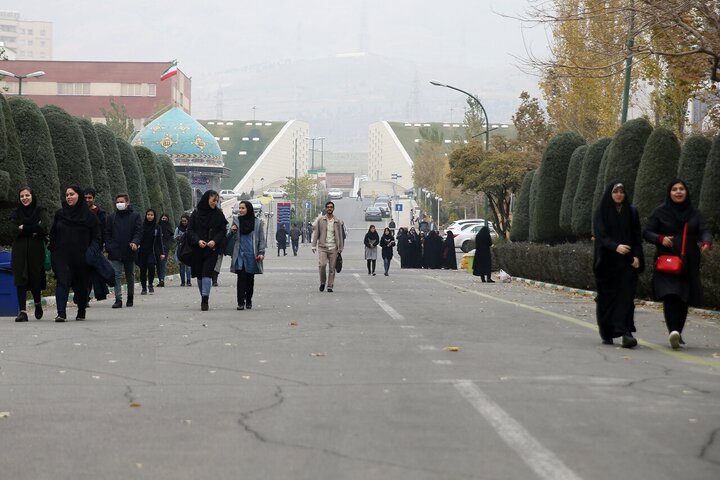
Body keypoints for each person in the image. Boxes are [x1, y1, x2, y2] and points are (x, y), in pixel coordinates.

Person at [643, 179, 712, 349]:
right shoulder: (661, 212)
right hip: (667, 262)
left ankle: (677, 333)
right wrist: (660, 238)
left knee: (684, 297)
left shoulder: (694, 213)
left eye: (681, 189)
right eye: (674, 189)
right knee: (671, 295)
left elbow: (704, 230)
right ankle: (673, 330)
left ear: (686, 192)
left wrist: (706, 242)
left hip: (689, 262)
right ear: (669, 193)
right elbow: (647, 232)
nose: (678, 192)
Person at [593, 182, 644, 348]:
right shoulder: (602, 212)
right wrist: (616, 246)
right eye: (616, 191)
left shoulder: (632, 211)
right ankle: (607, 331)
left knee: (627, 298)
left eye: (622, 191)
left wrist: (636, 256)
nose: (619, 194)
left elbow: (637, 236)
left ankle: (626, 332)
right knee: (608, 299)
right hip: (607, 263)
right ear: (610, 193)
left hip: (627, 262)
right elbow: (601, 235)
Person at [49, 186, 101, 322]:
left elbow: (97, 237)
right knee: (62, 281)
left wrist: (92, 252)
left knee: (81, 284)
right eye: (66, 195)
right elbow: (53, 233)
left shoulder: (89, 217)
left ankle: (81, 310)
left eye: (72, 194)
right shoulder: (60, 214)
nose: (68, 197)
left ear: (79, 196)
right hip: (62, 256)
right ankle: (61, 313)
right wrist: (54, 250)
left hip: (81, 256)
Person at [184, 190, 228, 311]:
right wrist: (198, 241)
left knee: (207, 273)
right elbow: (190, 230)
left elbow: (223, 230)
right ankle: (203, 294)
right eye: (213, 200)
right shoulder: (196, 214)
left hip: (212, 249)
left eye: (217, 201)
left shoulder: (218, 214)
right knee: (199, 275)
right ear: (206, 199)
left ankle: (205, 300)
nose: (215, 203)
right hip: (197, 249)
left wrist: (215, 240)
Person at [10, 187, 47, 322]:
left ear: (32, 196)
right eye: (21, 196)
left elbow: (44, 228)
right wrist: (33, 229)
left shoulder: (40, 210)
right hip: (19, 250)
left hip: (35, 249)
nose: (24, 198)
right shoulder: (16, 212)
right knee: (20, 279)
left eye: (27, 195)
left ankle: (37, 303)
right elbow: (13, 230)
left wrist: (24, 227)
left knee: (34, 277)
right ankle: (23, 311)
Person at [105, 193, 142, 308]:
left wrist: (135, 242)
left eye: (121, 201)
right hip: (115, 251)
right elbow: (107, 233)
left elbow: (138, 231)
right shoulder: (112, 217)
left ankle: (130, 297)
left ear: (127, 203)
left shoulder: (135, 216)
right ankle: (118, 299)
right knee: (116, 275)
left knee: (130, 275)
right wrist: (109, 246)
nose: (119, 204)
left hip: (129, 250)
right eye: (117, 202)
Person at [227, 200, 266, 310]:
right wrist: (232, 230)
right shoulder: (236, 220)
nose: (241, 210)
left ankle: (248, 300)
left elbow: (261, 239)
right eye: (240, 208)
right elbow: (229, 235)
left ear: (248, 209)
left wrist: (261, 252)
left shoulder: (257, 222)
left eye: (243, 208)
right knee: (241, 278)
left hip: (252, 254)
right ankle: (240, 302)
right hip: (240, 254)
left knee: (250, 278)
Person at [311, 201, 345, 292]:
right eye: (328, 207)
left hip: (334, 248)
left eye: (331, 207)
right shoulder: (321, 220)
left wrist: (340, 247)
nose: (329, 208)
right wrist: (313, 245)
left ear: (333, 209)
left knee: (332, 268)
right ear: (326, 209)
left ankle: (330, 285)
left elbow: (341, 235)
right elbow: (316, 233)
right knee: (322, 265)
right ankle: (322, 282)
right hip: (323, 247)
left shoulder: (337, 221)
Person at [85, 188, 109, 301]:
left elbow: (104, 230)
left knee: (93, 271)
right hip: (82, 246)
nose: (87, 200)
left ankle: (91, 294)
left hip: (96, 246)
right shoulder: (80, 211)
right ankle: (85, 296)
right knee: (84, 272)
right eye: (85, 198)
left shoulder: (100, 213)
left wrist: (104, 244)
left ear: (94, 199)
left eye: (89, 198)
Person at [136, 209, 165, 295]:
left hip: (152, 251)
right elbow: (138, 236)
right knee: (143, 270)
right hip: (141, 251)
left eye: (151, 215)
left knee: (151, 267)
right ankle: (144, 288)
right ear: (145, 215)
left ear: (154, 216)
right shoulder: (142, 226)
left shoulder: (157, 227)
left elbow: (160, 240)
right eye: (148, 214)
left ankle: (150, 284)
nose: (150, 216)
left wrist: (162, 253)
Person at [174, 214, 192, 286]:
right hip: (180, 248)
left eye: (185, 221)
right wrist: (179, 237)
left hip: (188, 249)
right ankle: (182, 281)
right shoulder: (178, 229)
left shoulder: (190, 228)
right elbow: (175, 237)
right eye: (182, 221)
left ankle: (188, 281)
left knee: (188, 265)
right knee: (181, 265)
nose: (184, 222)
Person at [157, 213, 174, 287]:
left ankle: (162, 280)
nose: (164, 220)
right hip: (157, 247)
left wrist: (167, 245)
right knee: (158, 264)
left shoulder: (169, 227)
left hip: (165, 248)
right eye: (163, 219)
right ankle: (160, 279)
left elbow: (171, 238)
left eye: (165, 219)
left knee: (162, 263)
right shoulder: (157, 227)